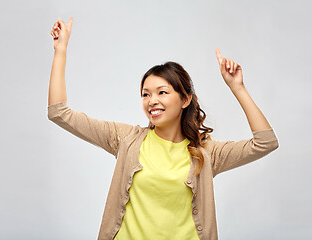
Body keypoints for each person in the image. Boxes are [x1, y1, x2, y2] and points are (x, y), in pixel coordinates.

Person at [48, 18, 279, 240]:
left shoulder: (207, 153)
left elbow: (265, 143)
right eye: (146, 94)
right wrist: (61, 51)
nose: (151, 101)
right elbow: (60, 113)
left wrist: (237, 87)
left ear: (185, 99)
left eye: (162, 92)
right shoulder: (126, 139)